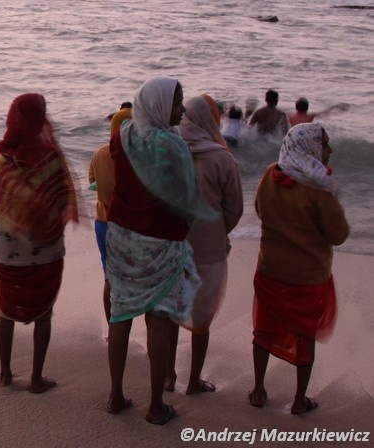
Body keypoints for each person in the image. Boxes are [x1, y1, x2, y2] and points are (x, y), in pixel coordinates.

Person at [104, 77, 216, 425]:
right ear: (160, 105)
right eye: (177, 103)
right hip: (161, 242)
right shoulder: (173, 145)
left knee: (120, 315)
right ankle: (155, 406)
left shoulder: (121, 137)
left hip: (122, 240)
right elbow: (187, 196)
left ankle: (116, 396)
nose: (181, 110)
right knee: (158, 319)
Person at [249, 122, 349, 415]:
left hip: (270, 270)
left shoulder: (272, 173)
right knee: (305, 336)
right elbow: (338, 234)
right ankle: (298, 400)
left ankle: (257, 390)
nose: (329, 151)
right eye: (325, 145)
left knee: (263, 330)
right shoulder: (319, 185)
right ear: (310, 148)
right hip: (307, 277)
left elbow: (258, 207)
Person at [0, 94, 77, 394]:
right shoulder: (52, 158)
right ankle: (37, 379)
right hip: (46, 251)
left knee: (5, 311)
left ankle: (6, 374)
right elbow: (63, 200)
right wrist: (41, 221)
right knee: (44, 314)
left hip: (7, 249)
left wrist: (16, 217)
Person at [166, 94, 243, 395]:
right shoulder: (223, 159)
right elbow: (234, 209)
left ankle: (169, 375)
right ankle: (194, 380)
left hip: (171, 244)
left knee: (170, 312)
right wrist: (219, 230)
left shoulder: (170, 151)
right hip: (209, 249)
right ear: (212, 121)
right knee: (202, 317)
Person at [88, 106, 132, 326]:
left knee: (109, 277)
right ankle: (126, 325)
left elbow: (91, 181)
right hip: (126, 225)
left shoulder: (99, 153)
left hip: (101, 223)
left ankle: (112, 327)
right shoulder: (134, 155)